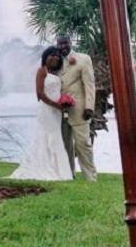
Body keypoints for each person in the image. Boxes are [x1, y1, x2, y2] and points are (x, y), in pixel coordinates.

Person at [10, 46, 72, 181]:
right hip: (47, 111)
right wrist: (56, 105)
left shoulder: (55, 74)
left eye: (57, 56)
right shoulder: (41, 71)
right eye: (51, 55)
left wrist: (64, 102)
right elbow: (39, 94)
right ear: (45, 57)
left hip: (56, 112)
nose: (55, 57)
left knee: (56, 137)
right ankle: (42, 166)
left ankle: (57, 169)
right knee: (45, 136)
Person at [57, 35, 97, 181]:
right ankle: (69, 175)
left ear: (70, 43)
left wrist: (89, 107)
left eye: (65, 43)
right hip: (60, 112)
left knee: (83, 145)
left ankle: (90, 177)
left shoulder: (83, 59)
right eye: (60, 44)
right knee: (65, 145)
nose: (63, 47)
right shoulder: (55, 60)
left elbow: (90, 85)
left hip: (80, 111)